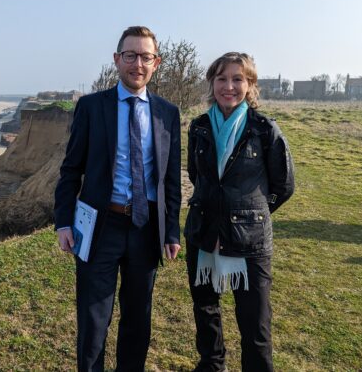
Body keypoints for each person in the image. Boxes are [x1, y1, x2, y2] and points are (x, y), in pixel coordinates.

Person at [54, 26, 182, 372]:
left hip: (145, 227)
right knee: (94, 321)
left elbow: (170, 180)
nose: (137, 64)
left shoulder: (167, 113)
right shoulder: (92, 107)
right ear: (116, 60)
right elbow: (71, 170)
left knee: (138, 320)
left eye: (145, 57)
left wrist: (172, 232)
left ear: (156, 63)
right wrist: (64, 222)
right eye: (130, 55)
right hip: (100, 227)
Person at [185, 52, 295, 372]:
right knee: (205, 309)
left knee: (255, 322)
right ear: (212, 83)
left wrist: (251, 213)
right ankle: (212, 364)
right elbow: (196, 175)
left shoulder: (264, 129)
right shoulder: (199, 127)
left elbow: (283, 185)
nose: (228, 86)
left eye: (237, 79)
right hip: (204, 232)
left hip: (250, 240)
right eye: (221, 78)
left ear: (250, 85)